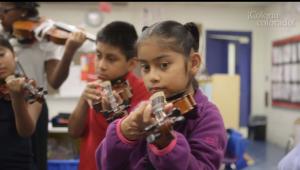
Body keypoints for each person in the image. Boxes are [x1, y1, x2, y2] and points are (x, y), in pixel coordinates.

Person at [95, 20, 227, 170]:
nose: (152, 77)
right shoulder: (144, 110)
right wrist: (124, 132)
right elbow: (105, 165)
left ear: (193, 63)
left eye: (164, 65)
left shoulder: (207, 117)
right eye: (145, 67)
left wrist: (167, 145)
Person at [0, 2, 87, 170]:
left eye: (5, 11)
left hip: (32, 101)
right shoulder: (3, 34)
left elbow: (55, 81)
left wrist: (69, 51)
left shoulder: (45, 37)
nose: (1, 15)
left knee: (35, 158)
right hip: (3, 101)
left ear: (23, 10)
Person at [68, 21, 150, 170]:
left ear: (131, 63)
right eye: (98, 55)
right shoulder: (94, 86)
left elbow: (136, 143)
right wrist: (83, 99)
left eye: (111, 59)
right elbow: (74, 132)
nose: (101, 65)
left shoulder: (142, 91)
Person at [0, 35, 43, 170]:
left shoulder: (31, 90)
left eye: (1, 54)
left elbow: (26, 131)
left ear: (14, 55)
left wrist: (17, 97)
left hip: (19, 165)